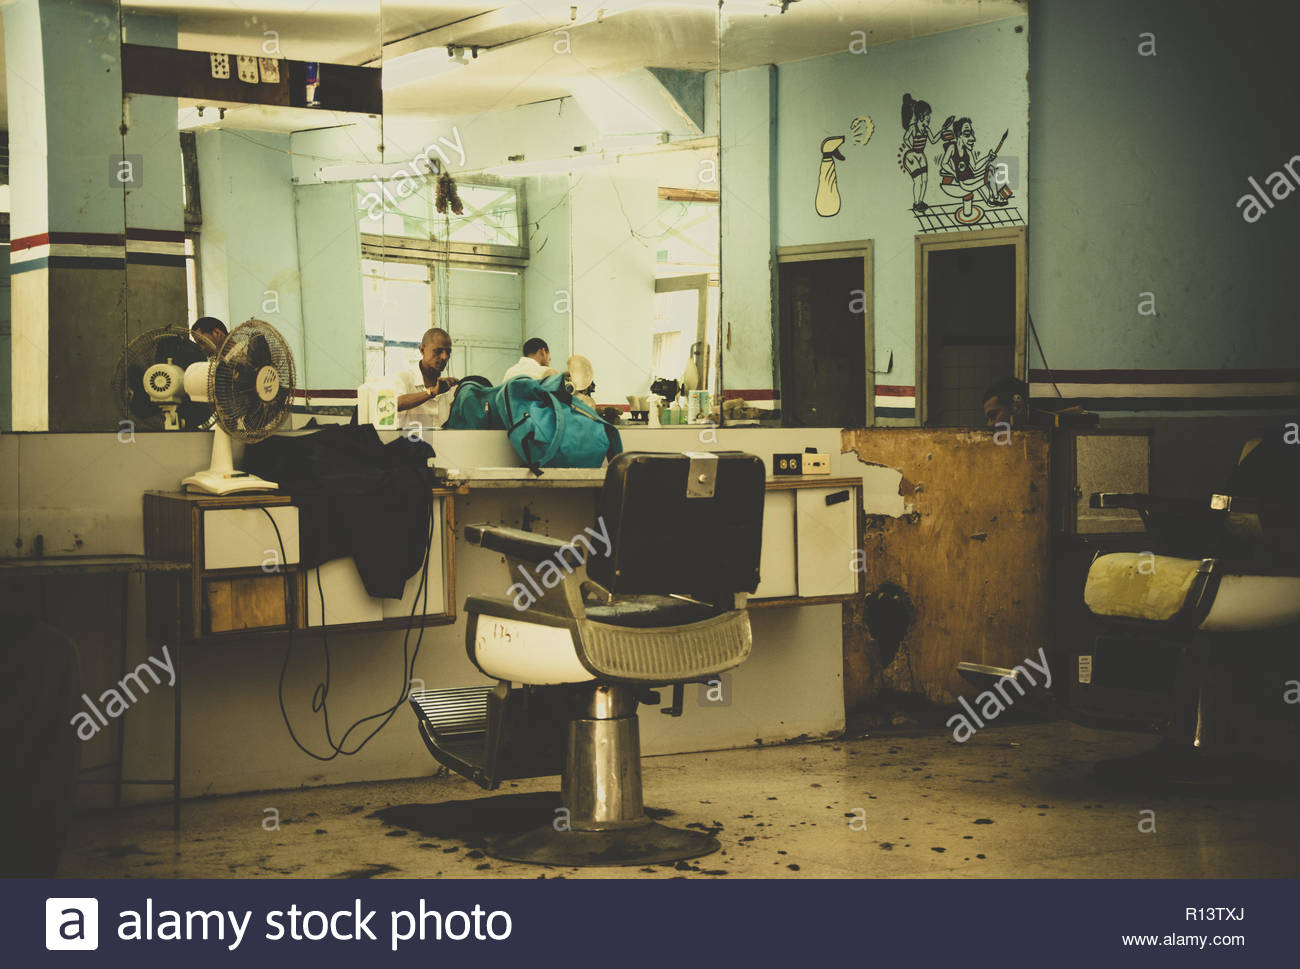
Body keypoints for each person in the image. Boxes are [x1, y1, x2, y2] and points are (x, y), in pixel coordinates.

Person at [397, 327, 459, 430]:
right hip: (412, 443)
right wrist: (431, 392)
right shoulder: (404, 378)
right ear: (422, 350)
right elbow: (395, 403)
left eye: (448, 352)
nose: (444, 357)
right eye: (438, 351)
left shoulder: (449, 388)